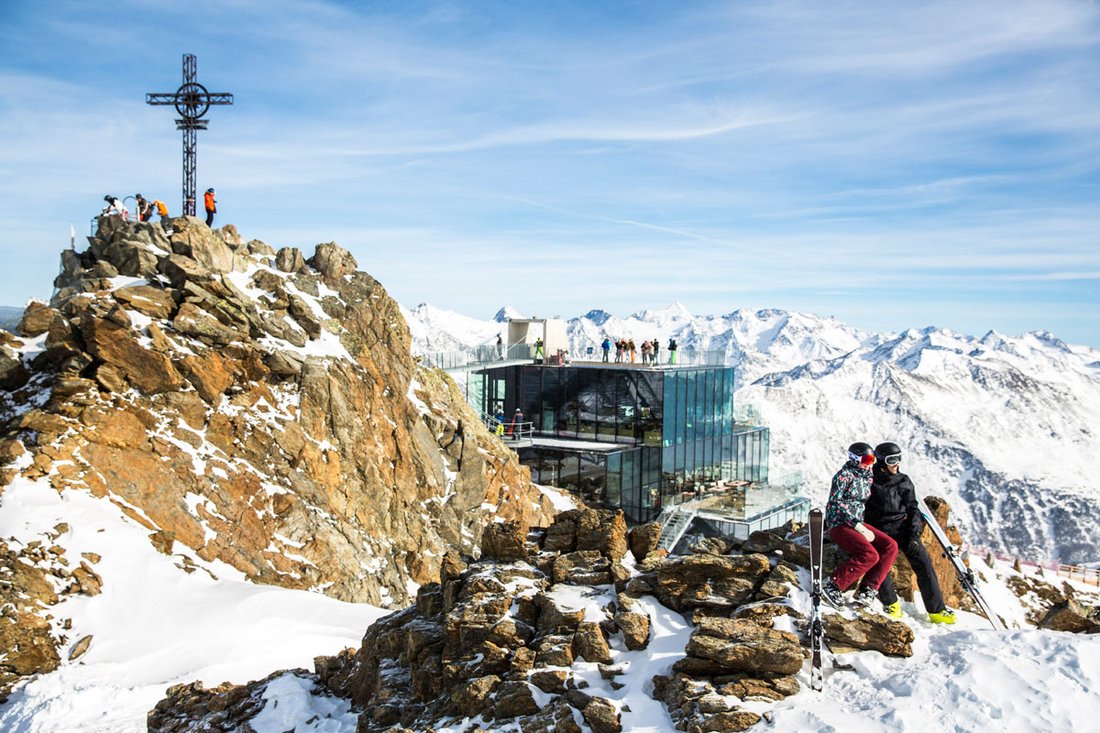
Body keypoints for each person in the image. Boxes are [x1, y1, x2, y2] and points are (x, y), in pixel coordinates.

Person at [866, 442, 957, 624]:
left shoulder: (903, 481)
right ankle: (891, 602)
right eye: (892, 460)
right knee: (879, 562)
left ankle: (937, 610)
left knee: (923, 563)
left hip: (902, 529)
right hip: (880, 531)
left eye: (899, 458)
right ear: (882, 461)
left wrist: (914, 534)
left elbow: (913, 509)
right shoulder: (869, 481)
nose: (897, 464)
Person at [822, 442, 899, 609]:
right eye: (866, 459)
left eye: (871, 460)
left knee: (890, 546)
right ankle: (833, 585)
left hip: (858, 523)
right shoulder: (844, 475)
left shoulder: (867, 476)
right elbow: (834, 503)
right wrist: (855, 524)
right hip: (840, 524)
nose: (869, 463)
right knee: (869, 555)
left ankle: (867, 589)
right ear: (855, 458)